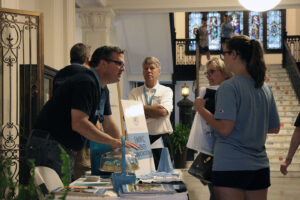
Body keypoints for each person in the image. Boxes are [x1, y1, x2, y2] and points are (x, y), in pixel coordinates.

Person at [26, 46, 138, 180]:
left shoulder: (102, 89)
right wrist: (113, 142)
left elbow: (108, 123)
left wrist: (121, 148)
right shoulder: (86, 82)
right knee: (56, 195)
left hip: (62, 146)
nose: (123, 68)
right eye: (119, 63)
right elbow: (79, 123)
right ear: (103, 63)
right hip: (49, 144)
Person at [194, 35, 280, 200]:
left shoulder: (229, 86)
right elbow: (274, 127)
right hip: (260, 166)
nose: (223, 58)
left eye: (224, 53)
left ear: (233, 54)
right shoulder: (264, 87)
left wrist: (201, 110)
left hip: (231, 165)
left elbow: (225, 128)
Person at [188, 57, 232, 200]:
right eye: (207, 73)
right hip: (214, 155)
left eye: (212, 72)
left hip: (225, 156)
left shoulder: (227, 93)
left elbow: (220, 129)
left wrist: (200, 109)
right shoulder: (210, 92)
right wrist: (204, 164)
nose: (208, 76)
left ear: (225, 72)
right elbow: (206, 131)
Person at [52, 43, 92, 180]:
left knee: (62, 180)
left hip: (59, 137)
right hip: (81, 138)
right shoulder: (88, 77)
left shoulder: (59, 75)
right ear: (88, 59)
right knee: (83, 181)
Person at [128, 56, 174, 169]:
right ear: (143, 72)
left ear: (159, 71)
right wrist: (154, 110)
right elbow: (129, 115)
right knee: (141, 173)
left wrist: (139, 109)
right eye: (146, 68)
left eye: (152, 68)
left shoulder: (166, 91)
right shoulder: (135, 92)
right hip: (140, 139)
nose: (148, 71)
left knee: (164, 174)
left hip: (161, 139)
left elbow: (163, 112)